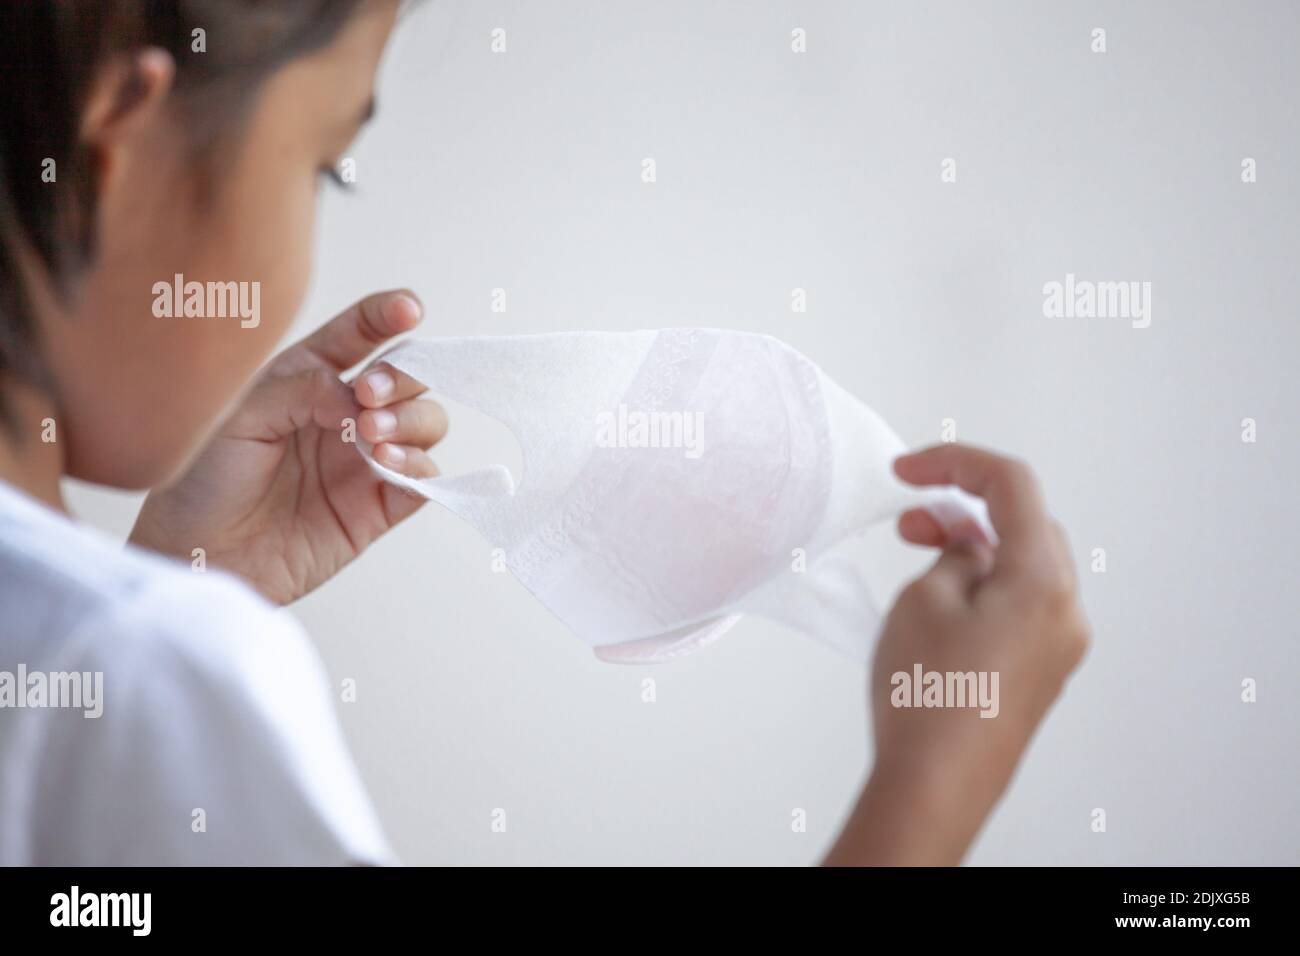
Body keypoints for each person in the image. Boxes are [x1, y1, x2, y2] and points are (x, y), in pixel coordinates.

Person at [0, 0, 1088, 866]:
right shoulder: (138, 661)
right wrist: (935, 785)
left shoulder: (96, 658)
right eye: (322, 165)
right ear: (119, 133)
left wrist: (179, 585)